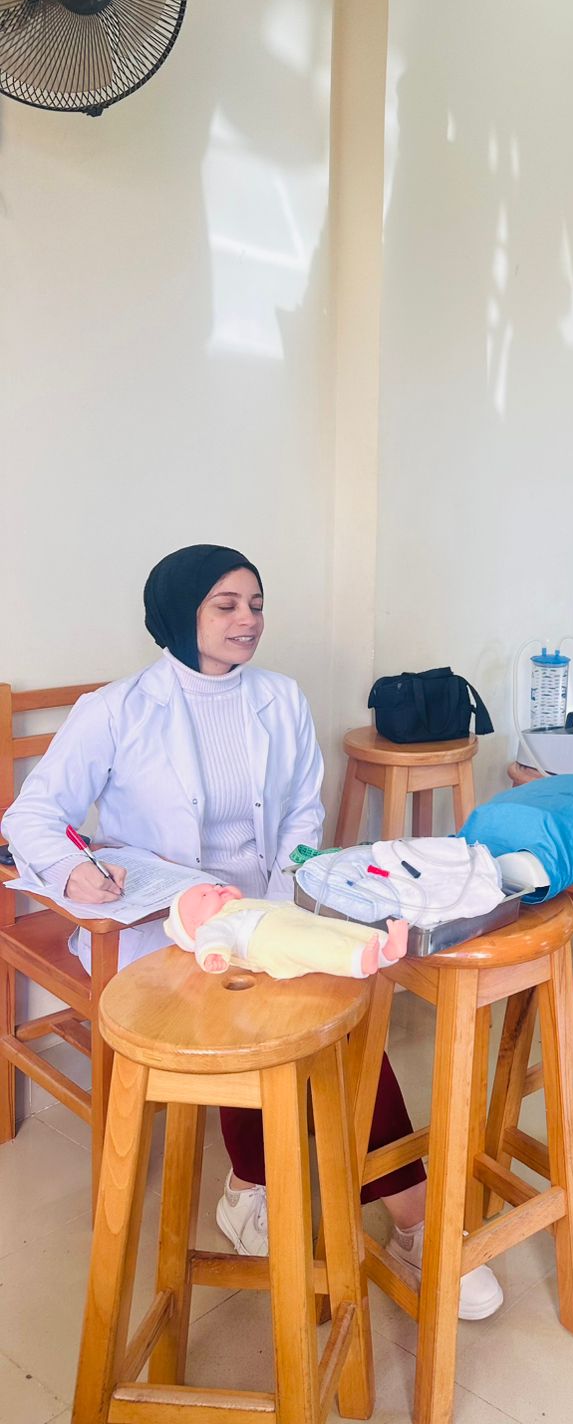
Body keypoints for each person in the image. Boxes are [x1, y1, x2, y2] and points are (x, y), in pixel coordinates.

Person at [2, 543, 502, 1318]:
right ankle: (337, 1201)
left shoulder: (280, 698)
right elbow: (32, 814)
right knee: (255, 1006)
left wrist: (273, 898)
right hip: (166, 922)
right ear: (181, 612)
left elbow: (303, 812)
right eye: (227, 605)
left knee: (340, 1015)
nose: (249, 620)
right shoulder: (116, 709)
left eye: (257, 604)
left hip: (268, 906)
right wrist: (71, 870)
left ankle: (364, 1208)